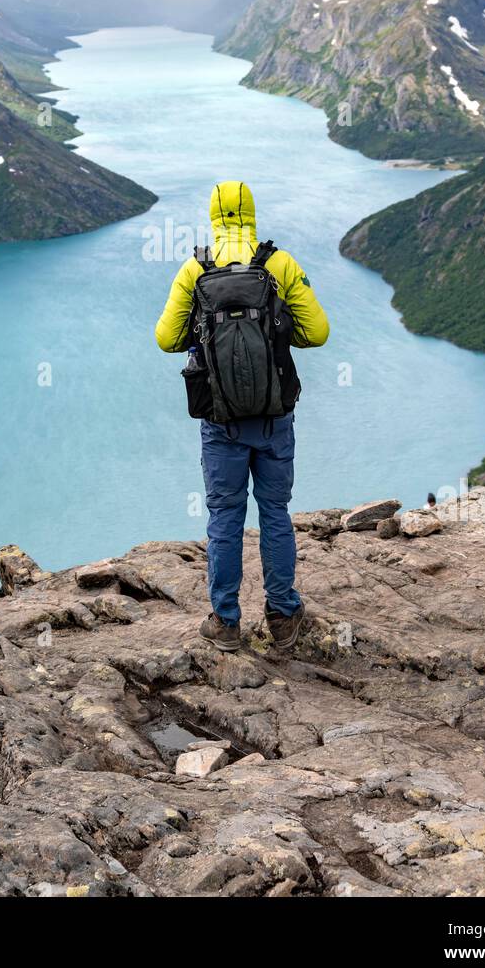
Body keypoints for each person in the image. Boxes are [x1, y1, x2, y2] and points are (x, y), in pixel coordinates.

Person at [154, 181, 329, 652]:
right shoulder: (278, 263)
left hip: (221, 420)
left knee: (225, 516)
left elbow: (166, 340)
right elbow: (319, 333)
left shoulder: (196, 268)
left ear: (212, 214)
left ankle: (226, 622)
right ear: (251, 212)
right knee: (274, 512)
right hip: (274, 416)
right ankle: (283, 616)